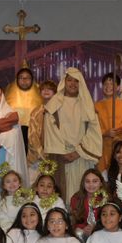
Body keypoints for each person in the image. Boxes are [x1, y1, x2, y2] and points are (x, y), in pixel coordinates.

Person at [43, 67, 102, 201]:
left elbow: (93, 130)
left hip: (82, 155)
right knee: (62, 191)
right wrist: (63, 151)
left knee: (82, 192)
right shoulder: (54, 104)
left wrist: (78, 152)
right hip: (61, 156)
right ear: (64, 82)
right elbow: (50, 129)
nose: (73, 84)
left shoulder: (87, 105)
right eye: (70, 80)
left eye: (76, 81)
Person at [95, 72, 122, 172]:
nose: (108, 87)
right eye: (106, 84)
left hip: (120, 150)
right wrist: (105, 133)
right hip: (102, 148)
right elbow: (91, 129)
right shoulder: (95, 106)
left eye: (112, 84)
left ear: (117, 87)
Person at [5, 66, 43, 151]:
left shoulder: (40, 92)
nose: (24, 80)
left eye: (28, 78)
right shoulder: (8, 91)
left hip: (35, 136)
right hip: (13, 134)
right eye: (21, 77)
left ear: (32, 79)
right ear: (17, 79)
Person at [27, 80, 56, 184]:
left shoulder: (60, 112)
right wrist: (41, 152)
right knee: (33, 184)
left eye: (49, 89)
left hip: (55, 155)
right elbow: (32, 135)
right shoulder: (35, 112)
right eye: (43, 89)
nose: (46, 91)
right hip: (36, 157)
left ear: (55, 92)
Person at [69, 169, 106, 240]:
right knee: (78, 232)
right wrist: (84, 228)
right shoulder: (76, 198)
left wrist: (96, 227)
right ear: (83, 183)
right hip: (82, 232)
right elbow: (75, 220)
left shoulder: (106, 198)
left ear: (101, 183)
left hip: (101, 230)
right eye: (87, 181)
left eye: (95, 181)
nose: (91, 184)